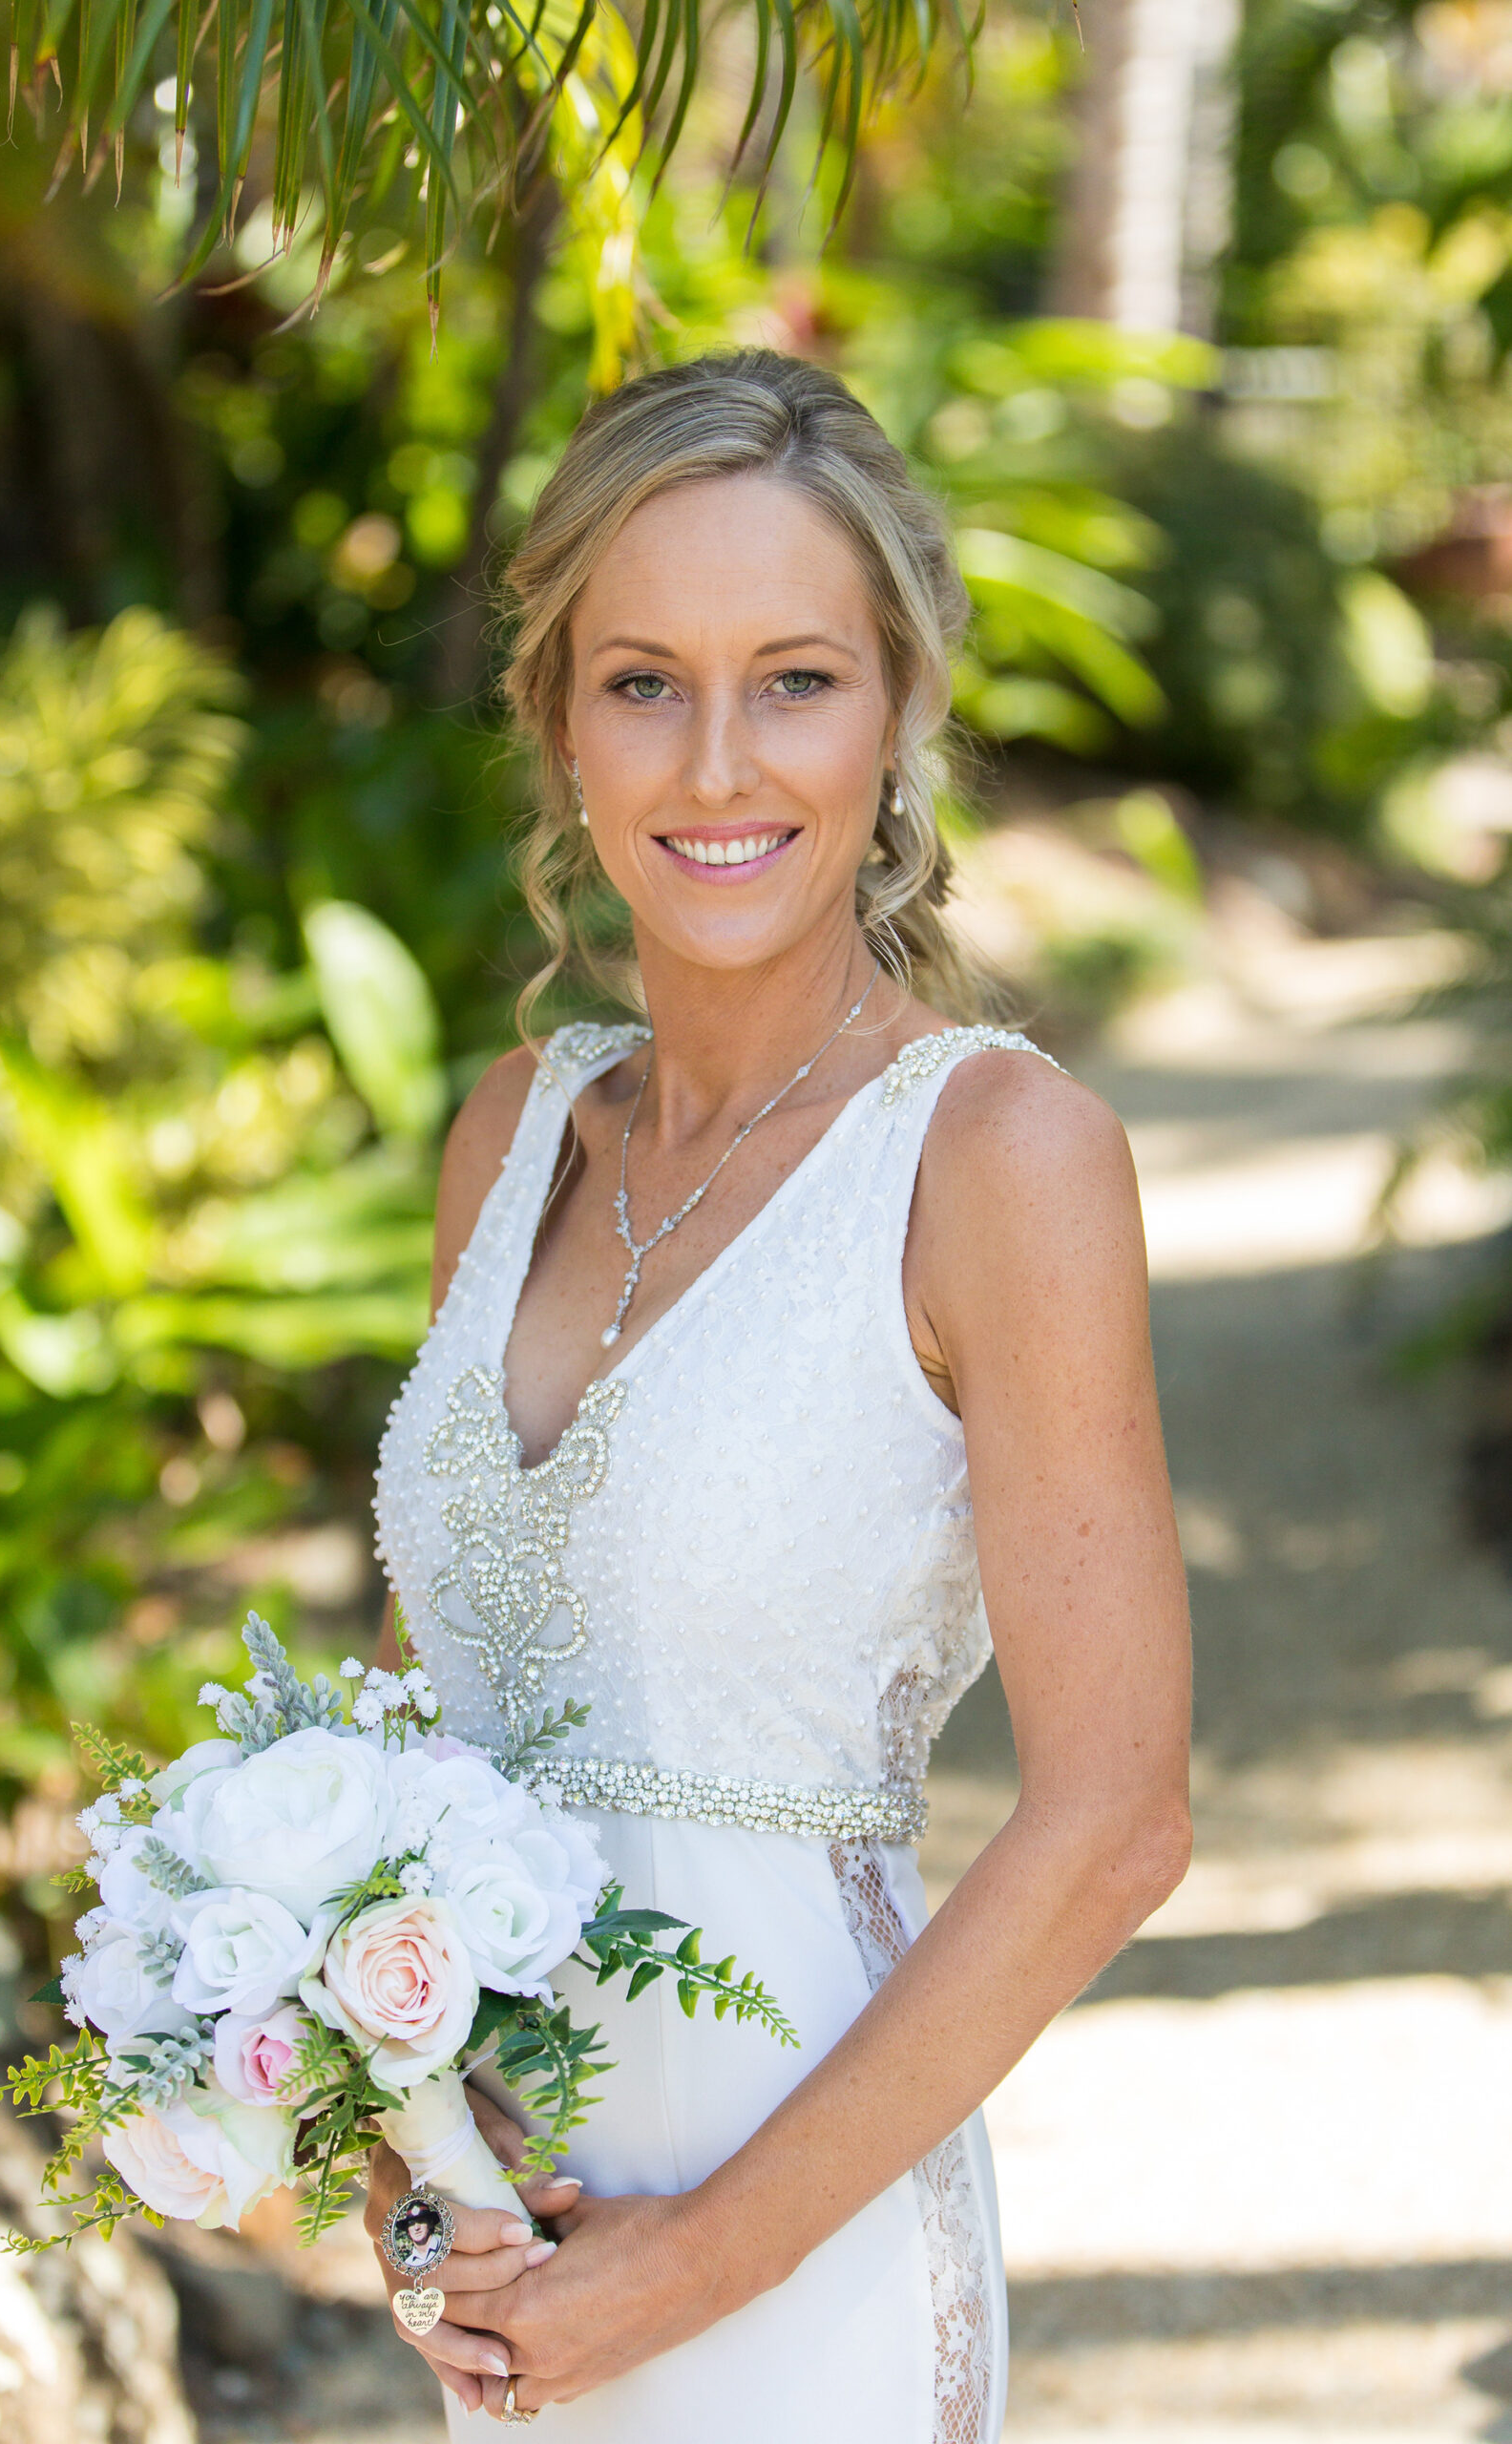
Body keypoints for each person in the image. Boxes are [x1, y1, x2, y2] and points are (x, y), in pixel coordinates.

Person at [364, 348, 1191, 2438]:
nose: (713, 761)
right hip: (513, 2263)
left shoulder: (995, 1155)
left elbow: (1111, 1822)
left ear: (899, 705)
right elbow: (414, 1748)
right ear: (556, 720)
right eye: (641, 680)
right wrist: (393, 2157)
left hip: (791, 2254)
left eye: (793, 678)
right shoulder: (512, 1127)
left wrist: (701, 2254)